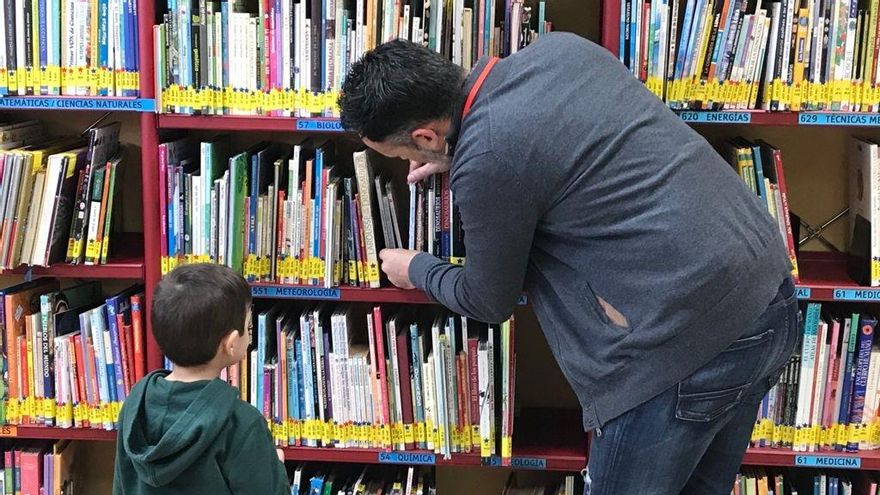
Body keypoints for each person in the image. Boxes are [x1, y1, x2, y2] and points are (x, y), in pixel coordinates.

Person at [339, 32, 799, 494]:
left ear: (426, 135)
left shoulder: (489, 157)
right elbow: (546, 144)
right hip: (768, 297)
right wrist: (458, 152)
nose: (410, 162)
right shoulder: (561, 50)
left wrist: (416, 266)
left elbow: (486, 299)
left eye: (406, 154)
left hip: (680, 349)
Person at [113, 264, 288, 495]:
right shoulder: (241, 423)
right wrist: (275, 466)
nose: (250, 331)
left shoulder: (134, 408)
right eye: (249, 326)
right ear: (231, 343)